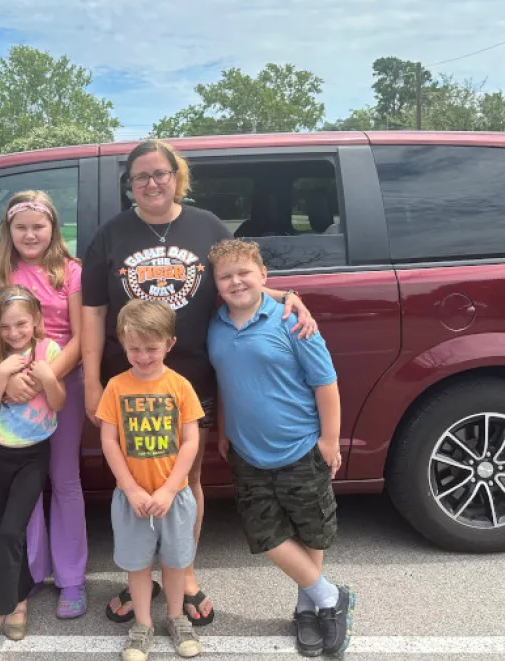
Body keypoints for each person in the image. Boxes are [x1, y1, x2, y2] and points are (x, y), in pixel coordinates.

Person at [81, 138, 317, 625]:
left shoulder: (206, 226)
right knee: (135, 477)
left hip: (191, 378)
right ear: (130, 184)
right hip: (129, 380)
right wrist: (90, 381)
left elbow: (236, 279)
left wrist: (285, 294)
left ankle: (183, 571)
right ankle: (139, 574)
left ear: (176, 177)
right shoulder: (110, 234)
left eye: (160, 174)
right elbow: (93, 313)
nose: (151, 183)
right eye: (141, 176)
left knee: (187, 480)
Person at [207, 239, 355, 658]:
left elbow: (325, 383)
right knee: (267, 536)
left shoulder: (292, 321)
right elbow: (225, 381)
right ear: (216, 284)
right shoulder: (216, 325)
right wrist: (223, 428)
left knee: (310, 531)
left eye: (244, 273)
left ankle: (309, 609)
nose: (236, 282)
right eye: (226, 276)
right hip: (247, 453)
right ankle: (331, 597)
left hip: (301, 447)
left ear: (264, 276)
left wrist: (329, 441)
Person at [0, 190, 87, 619]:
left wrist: (42, 376)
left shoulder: (70, 271)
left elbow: (81, 336)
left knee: (65, 480)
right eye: (21, 227)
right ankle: (28, 572)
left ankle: (72, 578)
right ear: (8, 229)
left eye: (39, 226)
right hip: (10, 389)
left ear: (53, 227)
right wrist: (2, 376)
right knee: (23, 487)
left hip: (59, 384)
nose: (30, 234)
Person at [0, 286, 66, 652]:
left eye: (21, 324)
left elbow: (58, 402)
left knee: (10, 531)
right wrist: (1, 372)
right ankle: (19, 603)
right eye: (5, 326)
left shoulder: (48, 351)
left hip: (34, 456)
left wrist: (48, 378)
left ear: (35, 320)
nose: (14, 332)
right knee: (8, 530)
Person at [96, 299, 204, 661]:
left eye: (152, 349)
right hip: (132, 499)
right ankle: (142, 624)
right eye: (134, 349)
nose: (143, 356)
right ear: (123, 344)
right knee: (138, 566)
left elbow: (190, 442)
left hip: (175, 497)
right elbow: (109, 441)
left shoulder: (180, 386)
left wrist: (170, 489)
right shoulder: (116, 387)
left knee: (175, 563)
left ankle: (175, 618)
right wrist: (130, 488)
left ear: (169, 344)